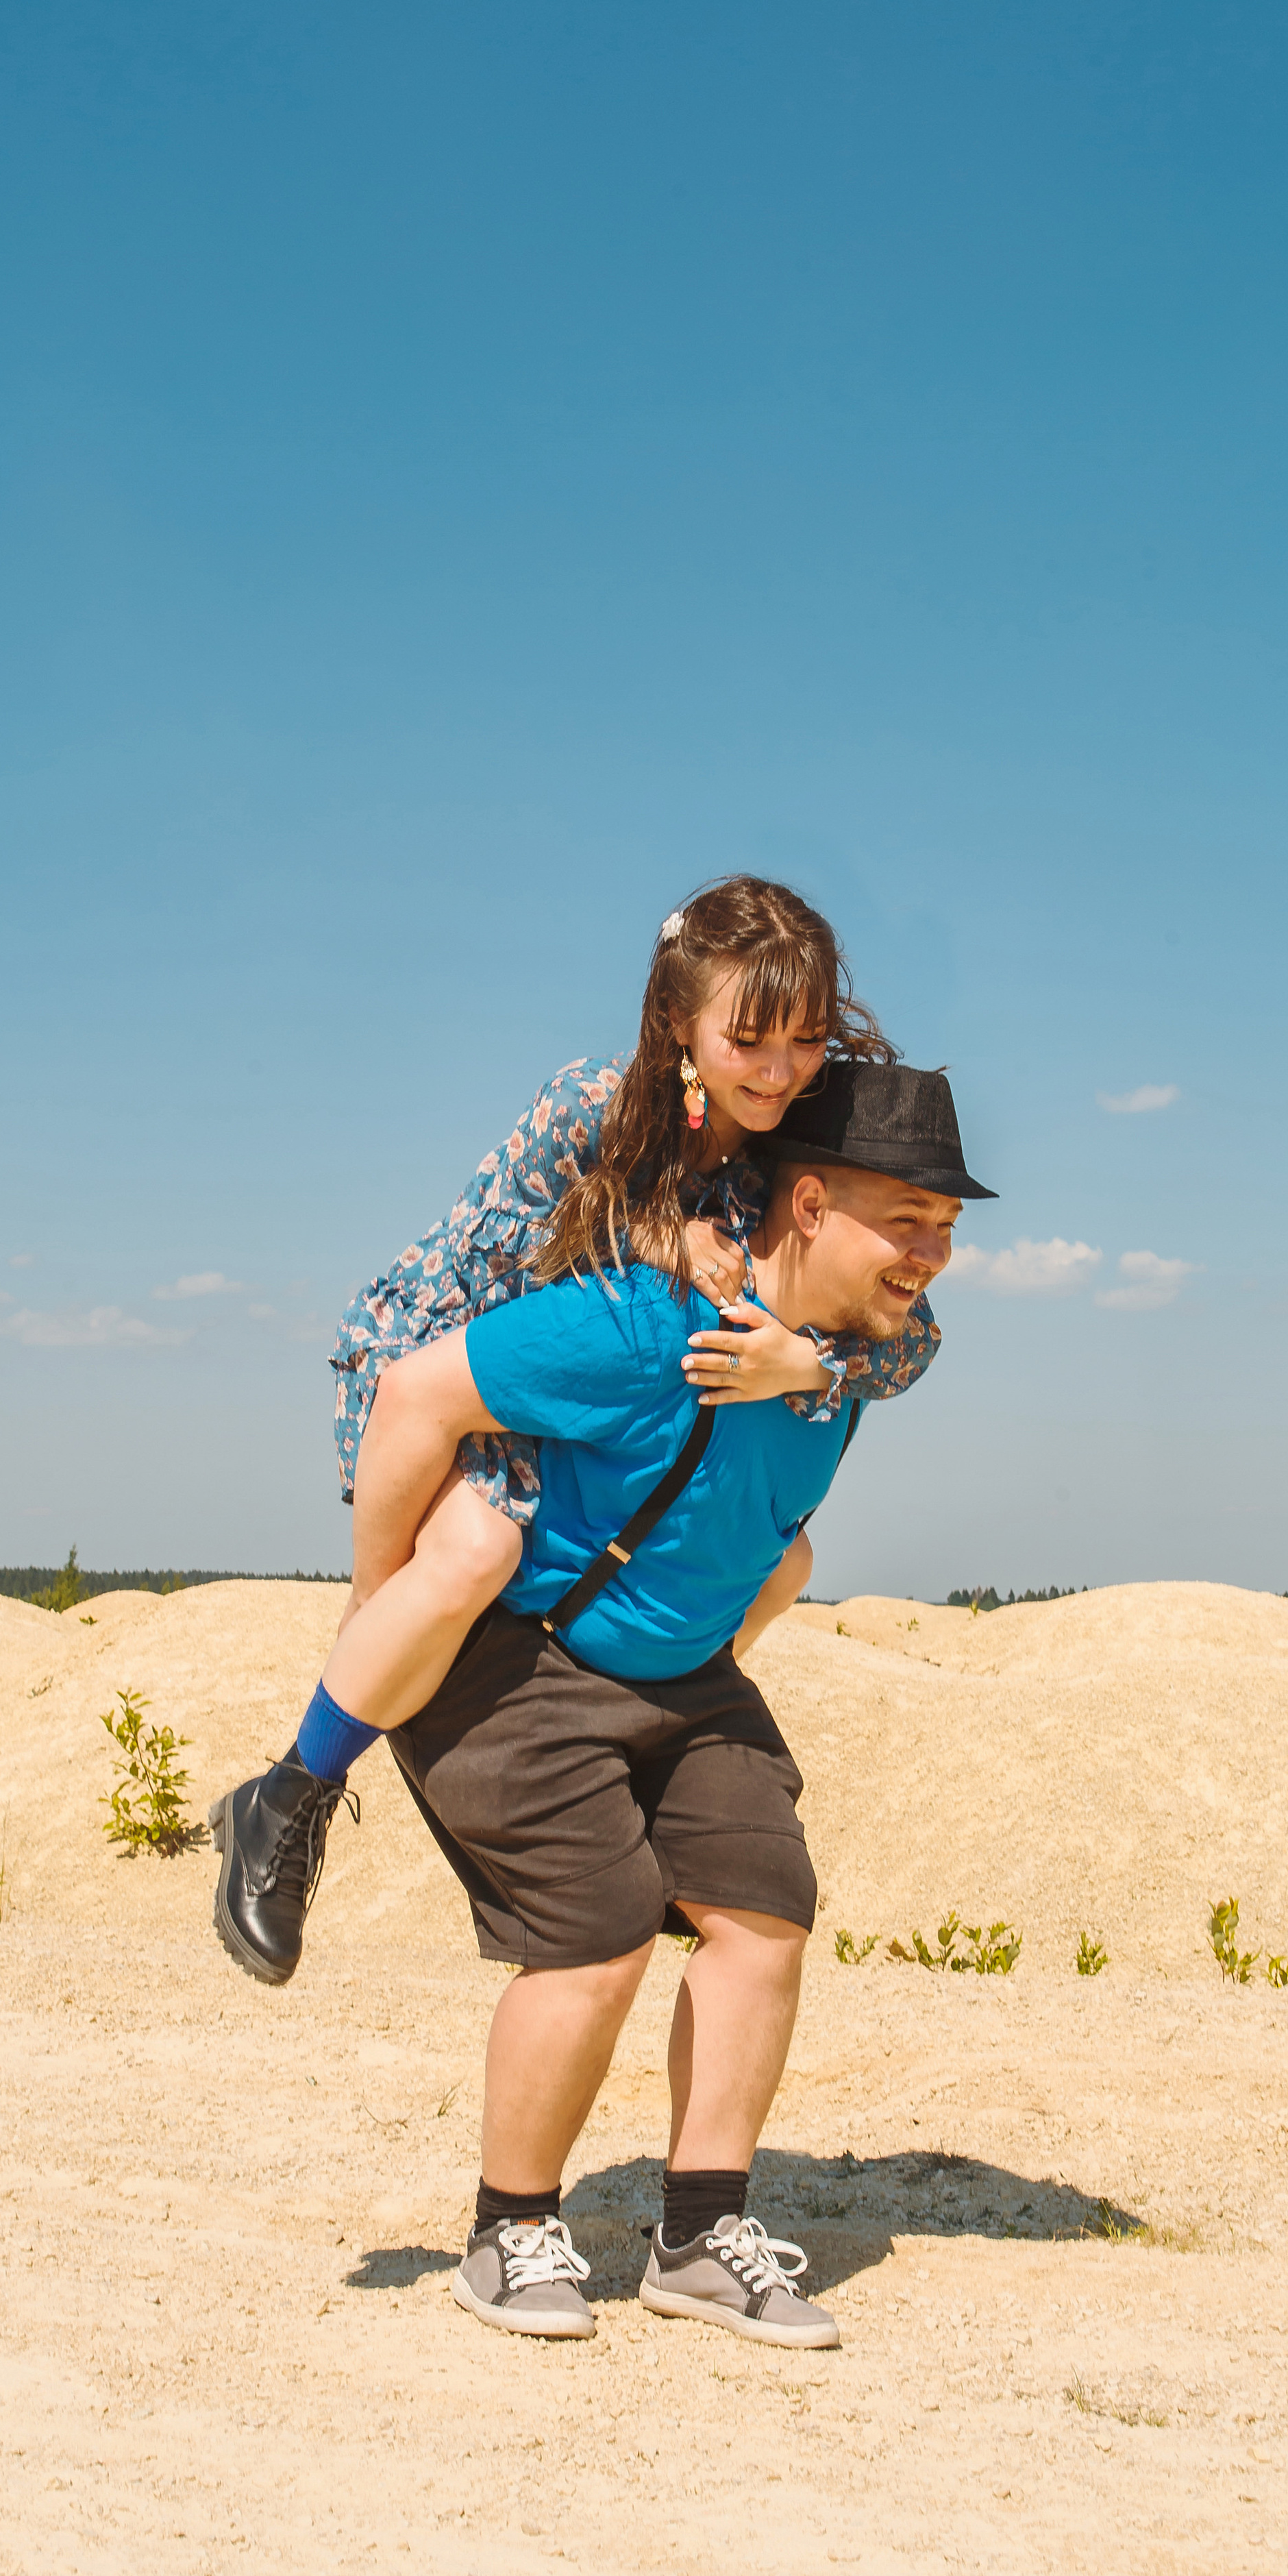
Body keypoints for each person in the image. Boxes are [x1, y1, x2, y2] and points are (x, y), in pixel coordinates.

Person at [240, 1061, 994, 2347]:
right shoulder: (651, 1321)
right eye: (906, 1220)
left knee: (764, 1908)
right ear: (811, 1206)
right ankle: (510, 2230)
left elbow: (814, 1461)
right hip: (520, 1655)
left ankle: (698, 2237)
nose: (931, 1255)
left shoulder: (858, 1352)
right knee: (596, 1931)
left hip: (686, 1673)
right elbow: (417, 1392)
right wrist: (380, 1604)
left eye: (947, 1228)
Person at [210, 877, 943, 1985]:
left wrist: (812, 1364)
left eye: (804, 1038)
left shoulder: (780, 1142)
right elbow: (512, 1262)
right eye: (748, 1038)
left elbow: (910, 1334)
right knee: (468, 1555)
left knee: (781, 1561)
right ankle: (286, 1798)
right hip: (446, 1350)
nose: (779, 1069)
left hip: (568, 1396)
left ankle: (637, 1743)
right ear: (679, 1023)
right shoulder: (597, 1104)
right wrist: (658, 1233)